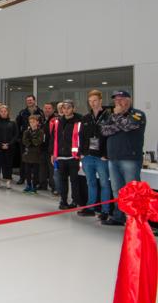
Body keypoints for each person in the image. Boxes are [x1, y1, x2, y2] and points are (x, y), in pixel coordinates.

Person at [100, 90, 146, 226]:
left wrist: (117, 118)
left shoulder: (137, 114)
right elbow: (104, 130)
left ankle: (136, 220)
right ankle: (119, 216)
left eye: (121, 99)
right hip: (113, 158)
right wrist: (118, 122)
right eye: (115, 100)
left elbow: (129, 126)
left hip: (130, 159)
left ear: (129, 100)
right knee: (117, 190)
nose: (117, 102)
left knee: (133, 191)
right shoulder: (111, 115)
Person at [78, 90, 111, 220]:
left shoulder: (108, 117)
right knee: (90, 183)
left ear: (100, 101)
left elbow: (111, 137)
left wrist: (106, 154)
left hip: (101, 157)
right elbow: (81, 136)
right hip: (88, 157)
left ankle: (105, 211)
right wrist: (81, 153)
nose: (92, 103)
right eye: (90, 101)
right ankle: (90, 208)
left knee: (104, 184)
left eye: (95, 100)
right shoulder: (86, 118)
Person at [49, 100, 83, 210]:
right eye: (64, 108)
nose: (66, 110)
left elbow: (82, 139)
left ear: (73, 108)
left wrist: (80, 153)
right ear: (61, 109)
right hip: (60, 156)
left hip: (73, 157)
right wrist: (53, 154)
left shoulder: (79, 121)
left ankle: (75, 201)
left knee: (74, 180)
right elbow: (53, 139)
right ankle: (63, 201)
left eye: (69, 107)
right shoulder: (58, 122)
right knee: (62, 181)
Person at [16, 95, 43, 184]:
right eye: (27, 100)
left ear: (34, 101)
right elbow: (17, 125)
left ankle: (36, 180)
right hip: (25, 140)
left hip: (36, 141)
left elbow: (42, 124)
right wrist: (20, 138)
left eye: (31, 100)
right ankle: (22, 178)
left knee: (36, 161)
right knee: (24, 160)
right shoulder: (22, 112)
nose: (29, 102)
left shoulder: (40, 112)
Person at [0, 105, 18, 188]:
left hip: (10, 147)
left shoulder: (13, 122)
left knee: (8, 164)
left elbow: (16, 134)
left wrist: (9, 144)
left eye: (5, 111)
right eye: (1, 111)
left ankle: (8, 180)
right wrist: (0, 144)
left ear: (8, 112)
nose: (3, 113)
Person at [21, 115, 44, 194]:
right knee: (27, 171)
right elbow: (25, 142)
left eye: (33, 122)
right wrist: (31, 141)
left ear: (37, 122)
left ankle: (34, 186)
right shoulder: (26, 131)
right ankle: (28, 185)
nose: (32, 123)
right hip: (27, 154)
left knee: (35, 172)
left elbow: (37, 142)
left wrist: (31, 140)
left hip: (36, 155)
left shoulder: (40, 131)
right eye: (30, 122)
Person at [39, 102, 56, 191]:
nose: (47, 110)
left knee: (51, 168)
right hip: (42, 147)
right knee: (42, 167)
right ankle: (43, 184)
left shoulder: (55, 119)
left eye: (49, 108)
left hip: (51, 148)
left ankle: (53, 186)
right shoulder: (41, 119)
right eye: (45, 108)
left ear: (52, 110)